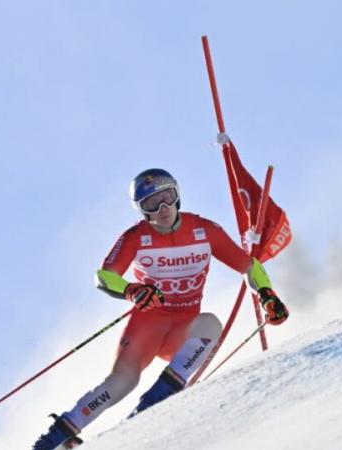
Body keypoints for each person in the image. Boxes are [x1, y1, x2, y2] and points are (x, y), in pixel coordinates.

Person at [32, 168, 289, 450]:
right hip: (147, 325)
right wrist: (132, 290)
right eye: (152, 204)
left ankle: (150, 410)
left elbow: (250, 267)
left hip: (183, 325)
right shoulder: (136, 236)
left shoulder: (204, 231)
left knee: (211, 326)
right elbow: (104, 276)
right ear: (142, 210)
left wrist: (266, 295)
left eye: (167, 197)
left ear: (178, 195)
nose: (163, 208)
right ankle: (53, 441)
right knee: (122, 381)